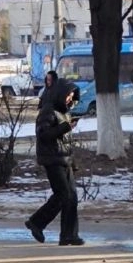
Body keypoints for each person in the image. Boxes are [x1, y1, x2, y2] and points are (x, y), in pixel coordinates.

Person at [25, 81, 84, 246]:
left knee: (71, 197)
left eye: (72, 96)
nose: (70, 99)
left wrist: (72, 162)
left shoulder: (64, 112)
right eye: (68, 95)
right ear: (60, 94)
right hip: (52, 160)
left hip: (64, 160)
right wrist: (66, 127)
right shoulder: (47, 111)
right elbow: (44, 135)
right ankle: (37, 222)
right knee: (63, 195)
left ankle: (69, 235)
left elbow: (65, 142)